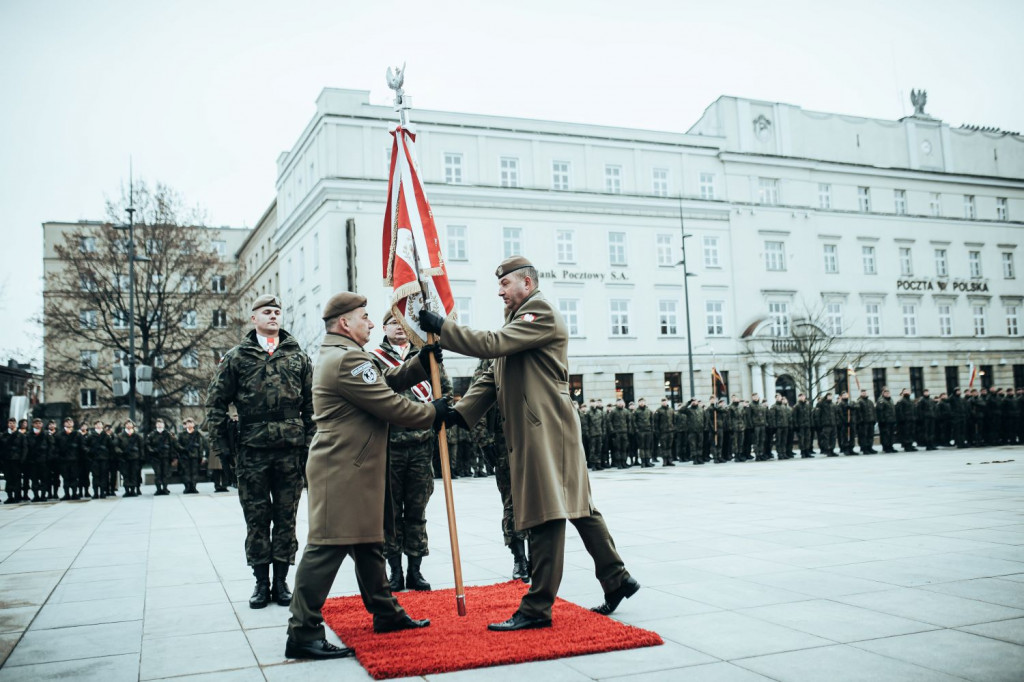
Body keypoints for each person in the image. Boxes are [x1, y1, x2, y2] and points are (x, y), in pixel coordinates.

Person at [419, 256, 638, 632]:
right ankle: (617, 578)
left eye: (506, 284)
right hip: (543, 428)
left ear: (528, 282)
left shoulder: (539, 313)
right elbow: (492, 375)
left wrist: (444, 328)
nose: (500, 291)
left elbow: (492, 345)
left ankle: (537, 606)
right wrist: (460, 413)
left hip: (546, 428)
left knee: (546, 512)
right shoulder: (517, 320)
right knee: (578, 508)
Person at [285, 292, 449, 660]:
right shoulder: (347, 359)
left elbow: (385, 381)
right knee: (326, 548)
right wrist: (433, 413)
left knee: (368, 544)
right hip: (343, 469)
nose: (372, 323)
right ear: (345, 323)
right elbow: (388, 403)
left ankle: (386, 613)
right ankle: (302, 631)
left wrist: (420, 364)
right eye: (365, 317)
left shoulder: (343, 354)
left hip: (351, 467)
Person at [207, 295, 316, 611]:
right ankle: (260, 582)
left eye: (277, 312)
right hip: (252, 450)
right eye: (266, 312)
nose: (273, 316)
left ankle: (281, 582)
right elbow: (215, 403)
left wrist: (309, 444)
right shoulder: (237, 358)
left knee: (286, 516)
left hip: (290, 450)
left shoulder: (298, 357)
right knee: (256, 518)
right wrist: (222, 447)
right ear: (253, 318)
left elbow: (312, 406)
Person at [371, 311, 448, 593]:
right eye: (393, 322)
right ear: (384, 327)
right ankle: (395, 572)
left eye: (403, 323)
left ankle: (415, 571)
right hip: (389, 447)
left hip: (420, 446)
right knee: (390, 513)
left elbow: (445, 391)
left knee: (417, 511)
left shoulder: (427, 355)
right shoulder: (375, 359)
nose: (399, 328)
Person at [176, 418, 206, 494]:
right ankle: (187, 487)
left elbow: (201, 446)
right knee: (186, 472)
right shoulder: (181, 434)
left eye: (191, 423)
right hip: (185, 456)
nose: (189, 424)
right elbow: (177, 444)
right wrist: (183, 449)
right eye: (188, 423)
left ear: (193, 424)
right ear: (185, 425)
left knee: (194, 473)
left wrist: (201, 456)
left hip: (195, 456)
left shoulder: (197, 434)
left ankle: (193, 487)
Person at [147, 418, 175, 495]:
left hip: (166, 457)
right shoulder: (152, 434)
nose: (159, 425)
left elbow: (172, 445)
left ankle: (165, 488)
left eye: (161, 423)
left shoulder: (168, 434)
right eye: (158, 423)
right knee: (158, 473)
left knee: (165, 473)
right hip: (156, 457)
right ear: (156, 425)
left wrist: (172, 456)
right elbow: (148, 444)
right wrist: (152, 450)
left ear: (164, 425)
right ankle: (159, 489)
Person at [118, 419, 145, 497]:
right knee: (126, 475)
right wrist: (120, 452)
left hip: (135, 458)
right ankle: (127, 490)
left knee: (134, 474)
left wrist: (142, 457)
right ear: (125, 425)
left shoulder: (137, 436)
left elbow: (141, 447)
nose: (129, 425)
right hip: (125, 458)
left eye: (130, 424)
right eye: (127, 424)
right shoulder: (120, 435)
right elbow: (116, 445)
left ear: (133, 425)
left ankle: (133, 490)